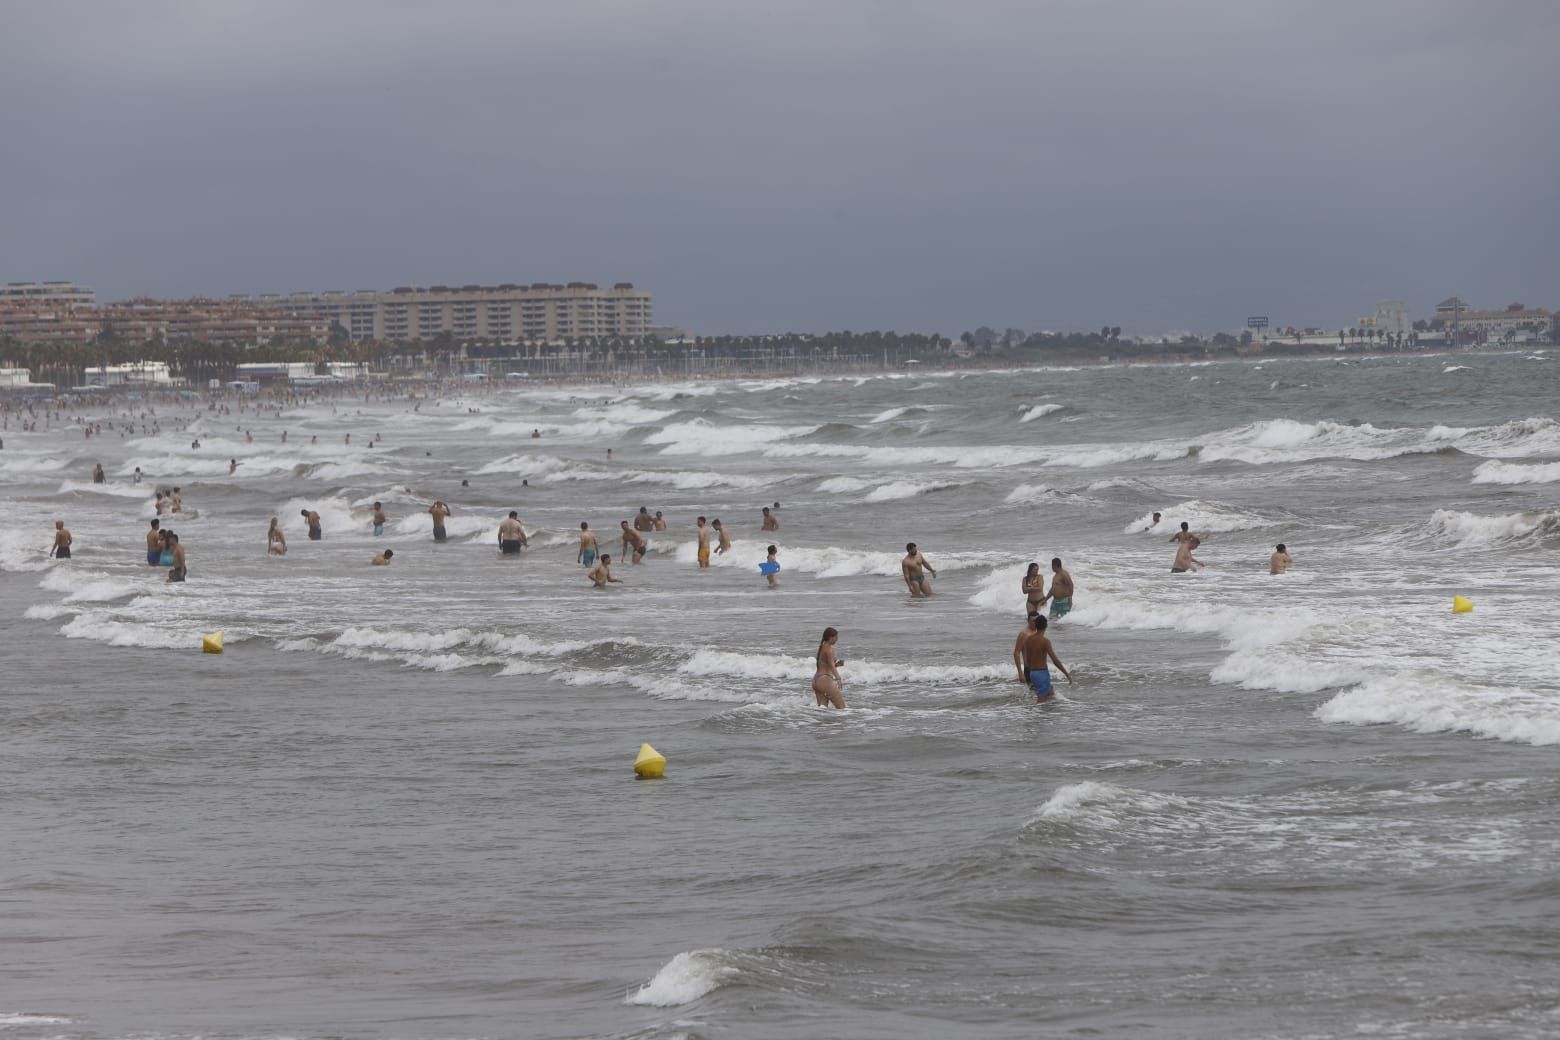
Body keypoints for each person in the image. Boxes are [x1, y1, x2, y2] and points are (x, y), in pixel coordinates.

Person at [1019, 615, 1072, 702]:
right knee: (1041, 701)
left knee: (1051, 694)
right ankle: (1032, 715)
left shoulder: (1028, 639)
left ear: (1035, 625)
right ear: (1046, 626)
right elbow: (1055, 660)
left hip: (1032, 673)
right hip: (1041, 674)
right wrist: (1066, 674)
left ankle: (1060, 709)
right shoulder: (1045, 641)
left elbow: (1027, 659)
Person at [812, 627, 845, 709]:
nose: (837, 640)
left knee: (822, 710)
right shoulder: (829, 649)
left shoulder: (822, 647)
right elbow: (831, 665)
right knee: (842, 709)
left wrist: (836, 664)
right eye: (836, 637)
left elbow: (825, 664)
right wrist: (838, 679)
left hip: (816, 680)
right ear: (830, 637)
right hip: (825, 680)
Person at [1013, 611, 1039, 678]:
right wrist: (1020, 673)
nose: (1035, 623)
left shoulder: (1039, 632)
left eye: (1037, 620)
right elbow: (1016, 653)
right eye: (1033, 621)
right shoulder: (1024, 634)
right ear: (1028, 621)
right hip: (1029, 670)